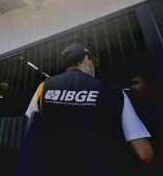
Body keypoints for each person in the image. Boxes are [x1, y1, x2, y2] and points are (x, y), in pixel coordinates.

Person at [16, 43, 153, 176]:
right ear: (87, 60)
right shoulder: (114, 92)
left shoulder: (44, 87)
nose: (93, 67)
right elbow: (144, 154)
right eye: (93, 63)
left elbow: (31, 136)